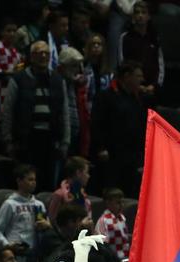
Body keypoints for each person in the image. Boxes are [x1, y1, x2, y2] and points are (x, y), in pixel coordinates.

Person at [1, 40, 69, 189]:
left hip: (51, 139)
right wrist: (8, 139)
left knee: (47, 183)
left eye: (46, 53)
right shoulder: (19, 79)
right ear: (31, 57)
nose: (43, 56)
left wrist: (65, 140)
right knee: (26, 181)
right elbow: (8, 110)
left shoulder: (58, 80)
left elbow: (64, 112)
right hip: (26, 139)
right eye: (39, 53)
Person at [91, 60, 147, 196]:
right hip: (112, 155)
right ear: (127, 76)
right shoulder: (106, 96)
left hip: (132, 157)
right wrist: (101, 147)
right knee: (111, 192)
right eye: (138, 76)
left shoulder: (137, 100)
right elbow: (97, 123)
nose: (142, 80)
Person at [119, 1, 163, 100]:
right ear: (133, 17)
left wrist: (154, 85)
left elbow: (160, 65)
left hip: (151, 90)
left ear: (148, 16)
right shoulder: (125, 38)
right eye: (137, 12)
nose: (140, 15)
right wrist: (135, 84)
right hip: (131, 90)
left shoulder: (154, 38)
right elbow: (122, 63)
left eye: (143, 12)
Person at [47, 155, 92, 222]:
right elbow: (51, 221)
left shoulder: (83, 196)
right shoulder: (59, 195)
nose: (88, 176)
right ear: (78, 173)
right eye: (87, 172)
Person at [94, 187, 131, 262]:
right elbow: (102, 244)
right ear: (108, 203)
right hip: (113, 261)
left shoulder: (121, 218)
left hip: (125, 257)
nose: (122, 205)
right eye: (118, 203)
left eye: (122, 202)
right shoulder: (104, 220)